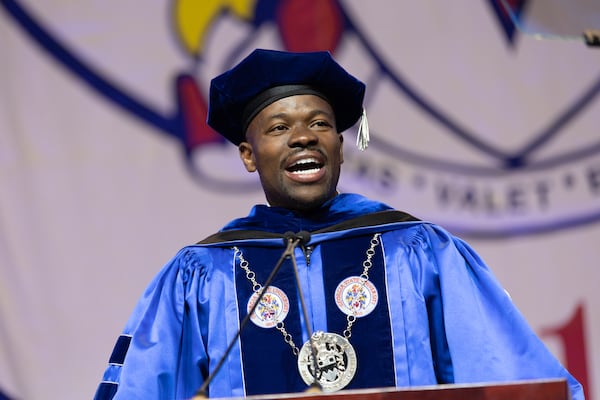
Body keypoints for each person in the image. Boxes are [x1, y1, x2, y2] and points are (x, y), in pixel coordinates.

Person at [93, 49, 584, 400]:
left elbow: (509, 377)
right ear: (249, 155)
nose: (303, 137)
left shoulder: (417, 250)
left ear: (340, 145)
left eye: (320, 123)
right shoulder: (204, 273)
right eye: (279, 128)